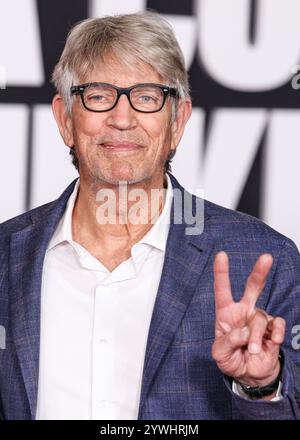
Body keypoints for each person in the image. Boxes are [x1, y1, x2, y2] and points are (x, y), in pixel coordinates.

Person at [0, 11, 300, 420]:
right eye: (99, 95)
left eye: (146, 97)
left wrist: (259, 387)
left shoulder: (262, 259)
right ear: (65, 118)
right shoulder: (5, 257)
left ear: (177, 121)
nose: (122, 119)